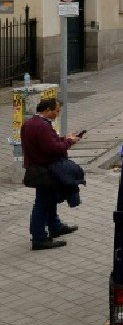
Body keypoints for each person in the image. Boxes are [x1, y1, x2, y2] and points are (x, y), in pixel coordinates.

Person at [22, 97, 80, 250]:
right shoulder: (42, 126)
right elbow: (53, 148)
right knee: (42, 203)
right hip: (44, 169)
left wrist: (65, 138)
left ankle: (55, 226)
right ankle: (39, 238)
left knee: (50, 199)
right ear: (47, 110)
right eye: (56, 111)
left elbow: (47, 142)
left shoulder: (30, 123)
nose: (57, 114)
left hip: (39, 167)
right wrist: (69, 143)